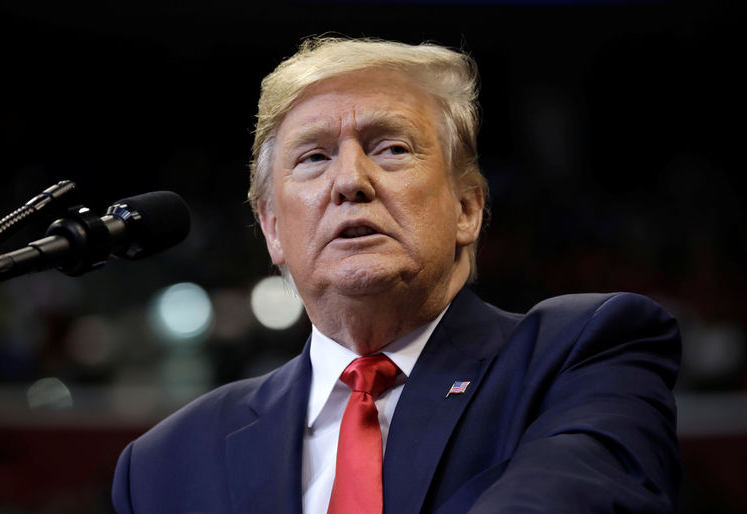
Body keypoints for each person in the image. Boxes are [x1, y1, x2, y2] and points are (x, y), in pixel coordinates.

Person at [112, 37, 681, 513]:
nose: (350, 180)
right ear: (273, 230)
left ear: (467, 210)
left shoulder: (582, 357)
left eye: (391, 148)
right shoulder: (164, 464)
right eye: (313, 157)